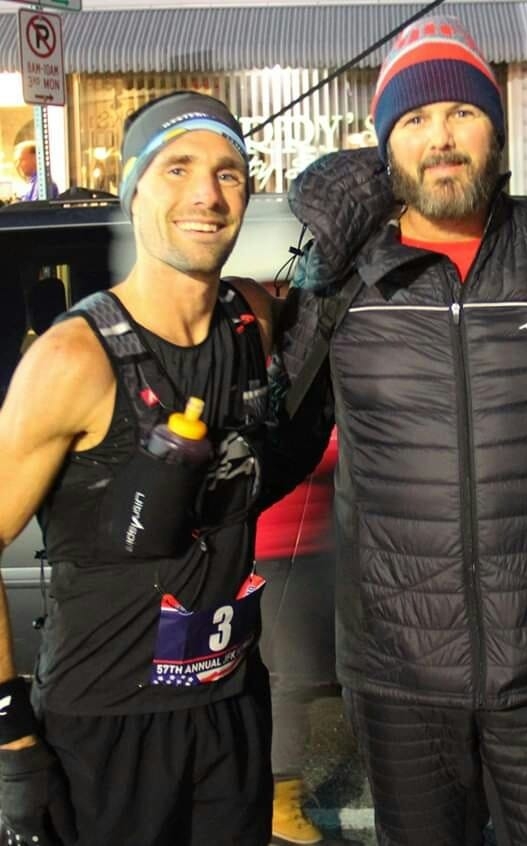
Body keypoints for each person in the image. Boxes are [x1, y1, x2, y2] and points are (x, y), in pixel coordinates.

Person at [279, 15, 527, 846]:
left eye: (462, 113)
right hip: (400, 680)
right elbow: (270, 428)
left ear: (495, 131)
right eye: (414, 120)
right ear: (385, 150)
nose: (440, 137)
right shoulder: (347, 281)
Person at [0, 91, 328, 846]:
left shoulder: (252, 317)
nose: (206, 195)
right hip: (106, 728)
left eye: (228, 173)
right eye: (177, 168)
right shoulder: (73, 359)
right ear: (135, 189)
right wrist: (10, 732)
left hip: (231, 708)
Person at [257, 427, 338, 845]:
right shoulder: (281, 409)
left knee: (288, 679)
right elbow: (315, 454)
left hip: (303, 552)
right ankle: (279, 808)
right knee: (288, 681)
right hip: (277, 553)